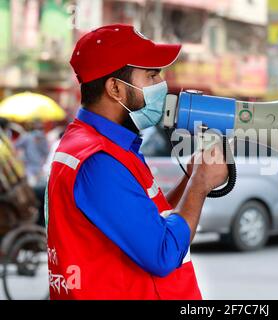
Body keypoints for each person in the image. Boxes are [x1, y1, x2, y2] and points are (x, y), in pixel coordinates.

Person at [45, 24, 228, 300]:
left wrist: (190, 179)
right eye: (152, 76)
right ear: (116, 88)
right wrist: (200, 185)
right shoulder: (99, 161)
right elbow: (162, 253)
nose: (161, 86)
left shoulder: (107, 146)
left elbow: (150, 222)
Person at [15, 120, 49, 186]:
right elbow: (46, 152)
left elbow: (16, 145)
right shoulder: (43, 137)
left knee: (32, 186)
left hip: (29, 166)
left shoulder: (26, 136)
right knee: (41, 186)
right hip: (40, 165)